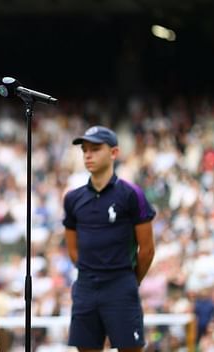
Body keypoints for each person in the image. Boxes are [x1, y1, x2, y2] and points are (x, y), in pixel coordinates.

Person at [62, 125, 156, 352]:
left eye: (95, 149)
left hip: (121, 285)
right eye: (85, 150)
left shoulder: (131, 194)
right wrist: (91, 273)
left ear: (114, 153)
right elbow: (73, 249)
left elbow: (147, 250)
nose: (88, 155)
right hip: (86, 286)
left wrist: (130, 281)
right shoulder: (73, 198)